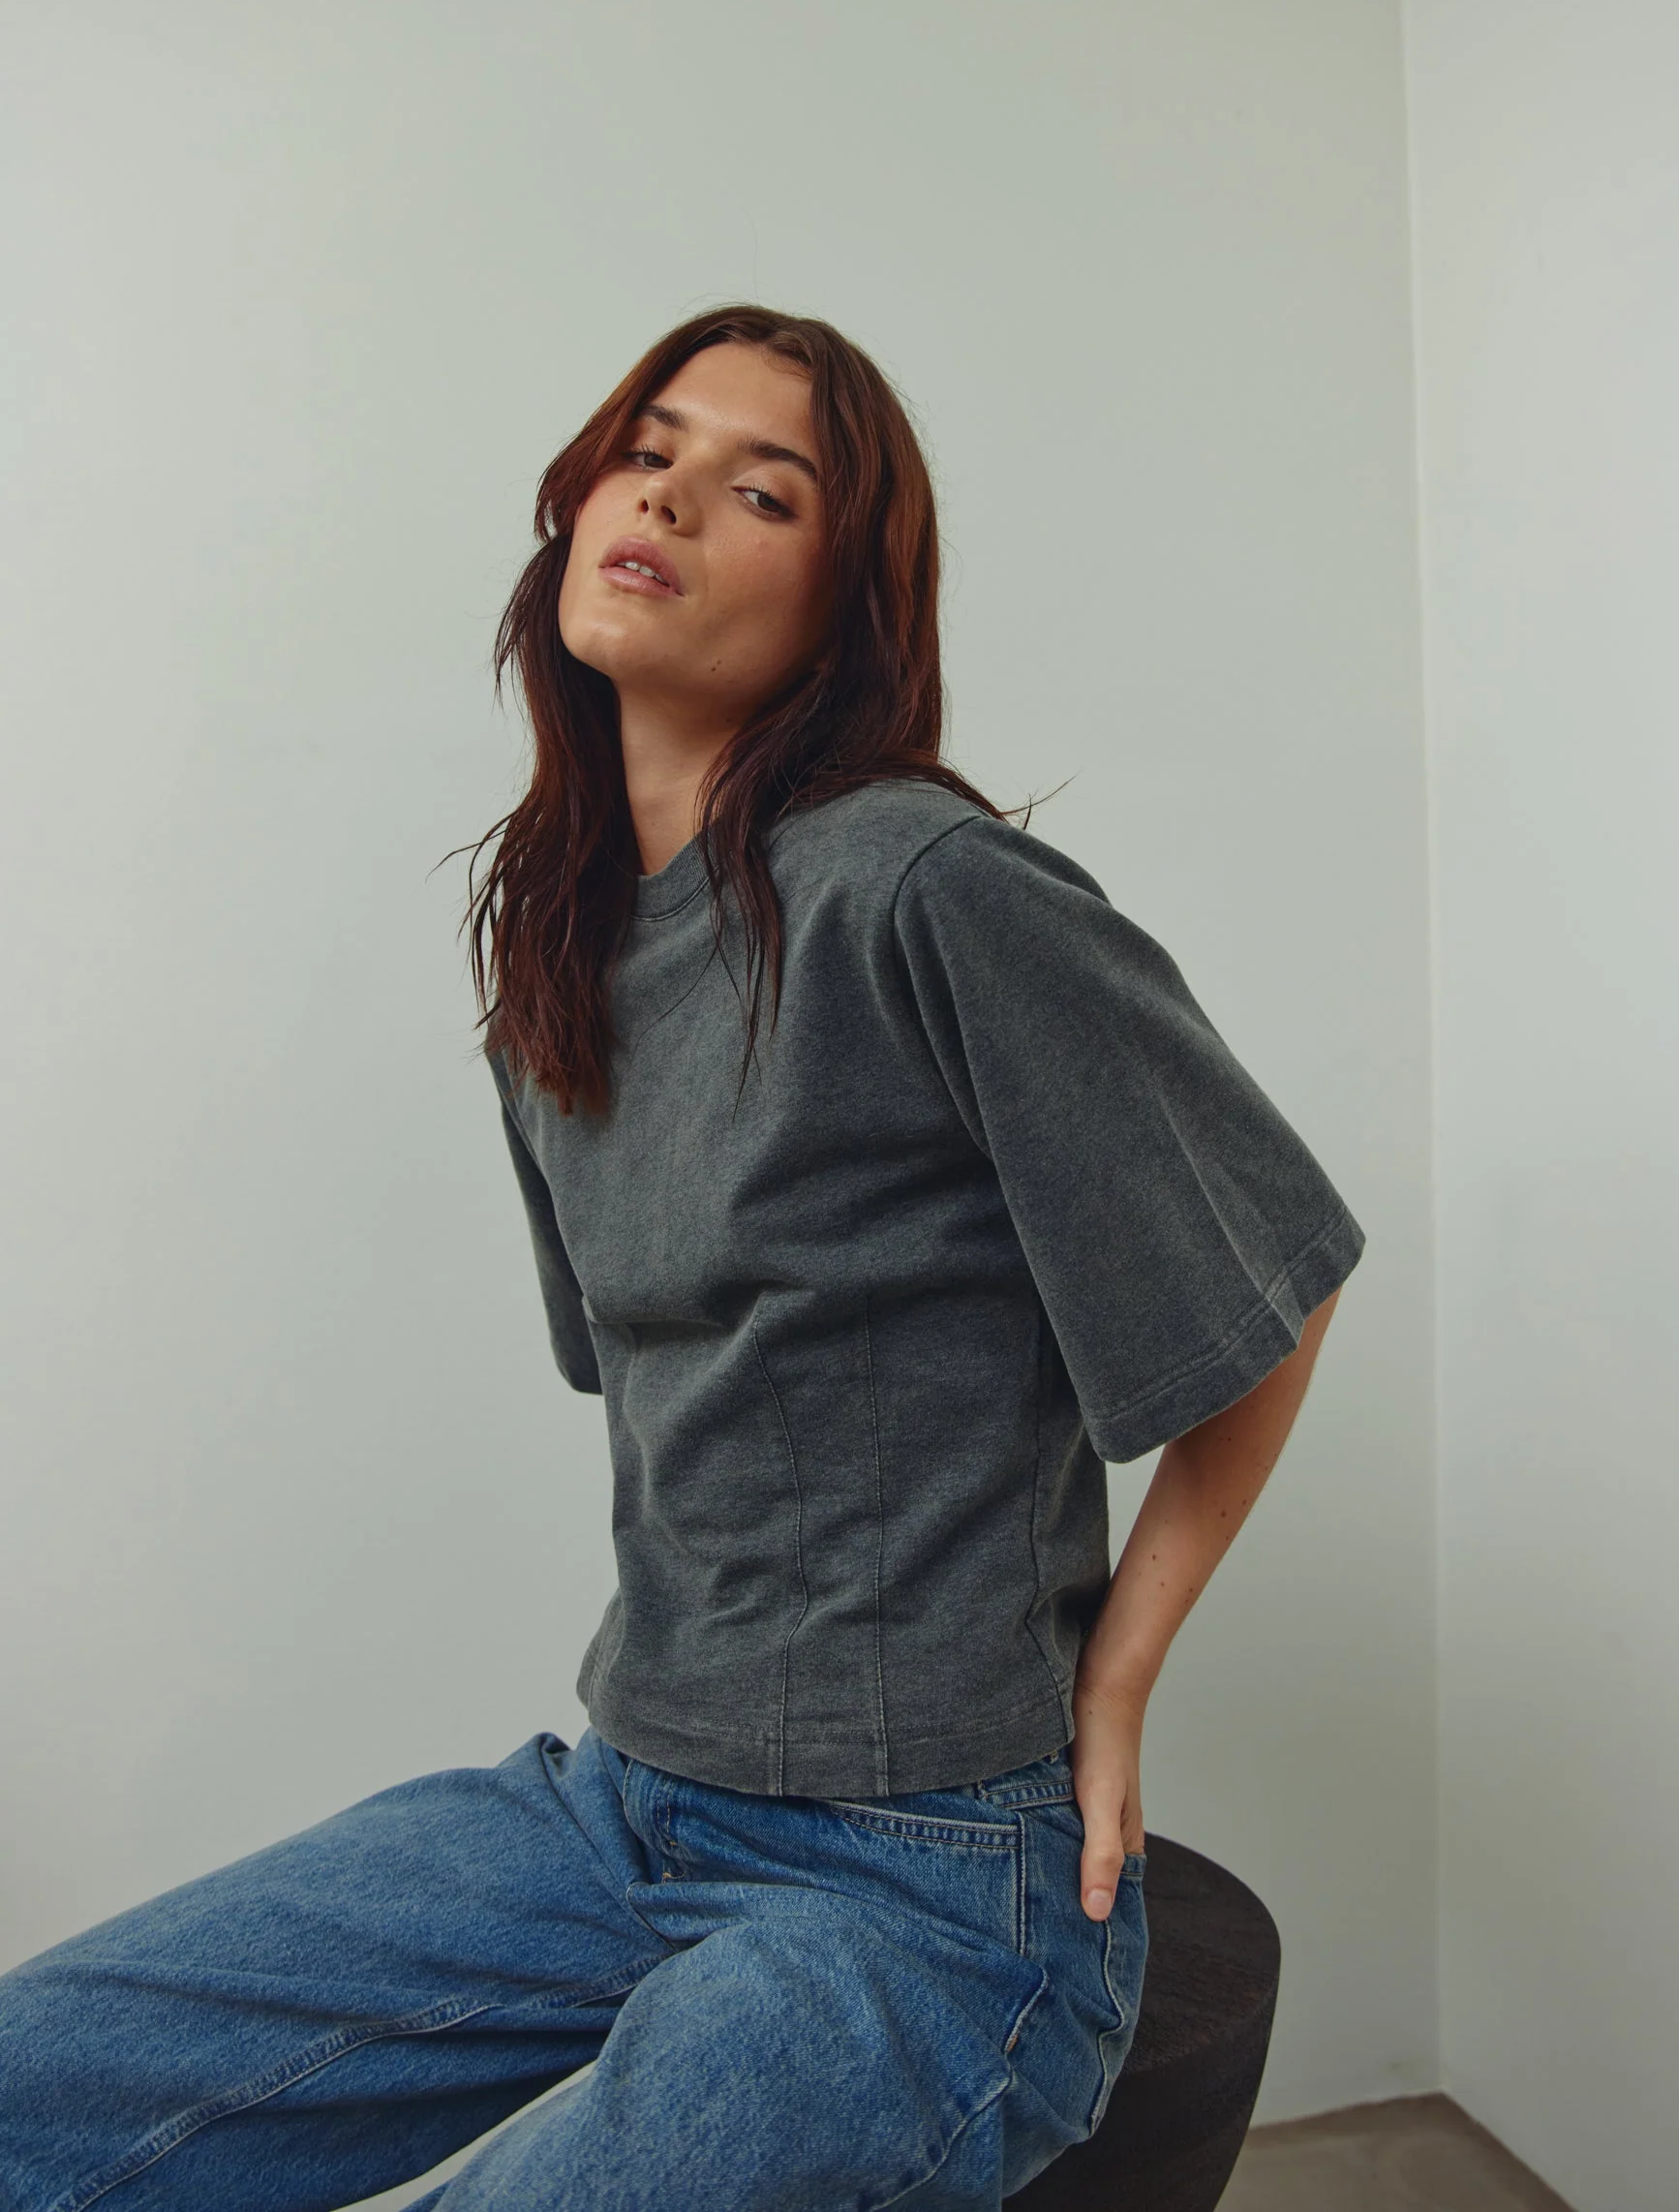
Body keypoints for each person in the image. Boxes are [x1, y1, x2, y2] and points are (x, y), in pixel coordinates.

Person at [0, 305, 1364, 2211]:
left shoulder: (925, 889)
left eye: (763, 489)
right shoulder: (556, 957)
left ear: (843, 606)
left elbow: (1275, 1279)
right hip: (617, 1803)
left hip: (921, 1886)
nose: (669, 496)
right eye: (648, 450)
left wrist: (1115, 1681)